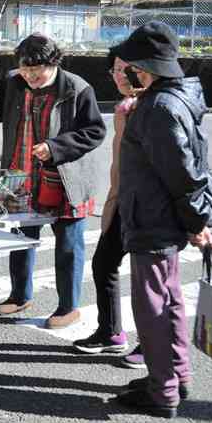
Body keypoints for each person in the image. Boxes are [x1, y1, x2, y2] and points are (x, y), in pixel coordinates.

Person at [110, 21, 212, 419]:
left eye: (131, 65)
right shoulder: (175, 98)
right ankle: (175, 376)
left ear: (147, 67)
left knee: (153, 306)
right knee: (169, 301)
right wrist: (194, 219)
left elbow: (181, 174)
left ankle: (163, 390)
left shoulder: (159, 108)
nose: (126, 72)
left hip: (154, 220)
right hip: (162, 217)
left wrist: (197, 222)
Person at [0, 33, 106, 329]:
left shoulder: (76, 88)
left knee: (69, 245)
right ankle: (20, 295)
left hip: (65, 179)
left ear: (54, 63)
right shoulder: (13, 82)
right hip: (20, 173)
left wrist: (56, 148)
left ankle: (68, 307)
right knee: (20, 239)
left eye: (38, 70)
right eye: (25, 68)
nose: (31, 75)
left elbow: (95, 131)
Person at [72, 55, 144, 356]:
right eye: (116, 69)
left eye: (129, 69)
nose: (122, 75)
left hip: (147, 207)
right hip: (123, 200)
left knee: (150, 282)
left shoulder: (150, 107)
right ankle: (111, 332)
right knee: (104, 264)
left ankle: (151, 347)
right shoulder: (125, 107)